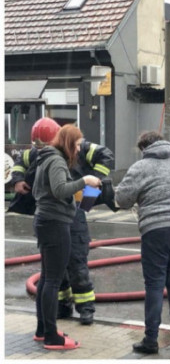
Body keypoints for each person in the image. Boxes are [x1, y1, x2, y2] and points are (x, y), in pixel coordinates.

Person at [10, 118, 115, 325]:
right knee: (56, 266)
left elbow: (106, 156)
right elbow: (21, 160)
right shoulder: (42, 153)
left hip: (73, 211)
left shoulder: (79, 147)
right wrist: (18, 180)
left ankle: (85, 307)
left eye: (45, 145)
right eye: (39, 146)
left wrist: (92, 182)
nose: (41, 149)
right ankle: (62, 306)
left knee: (76, 259)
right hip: (54, 214)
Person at [115, 132, 170, 354]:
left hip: (157, 229)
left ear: (144, 147)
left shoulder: (141, 166)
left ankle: (151, 340)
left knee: (154, 284)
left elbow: (122, 199)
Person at [32, 124, 101, 349]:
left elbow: (37, 191)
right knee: (52, 279)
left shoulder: (46, 158)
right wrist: (85, 181)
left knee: (46, 277)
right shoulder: (57, 161)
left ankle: (43, 329)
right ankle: (52, 336)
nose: (80, 150)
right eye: (78, 145)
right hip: (56, 223)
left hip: (45, 221)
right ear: (69, 143)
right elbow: (60, 189)